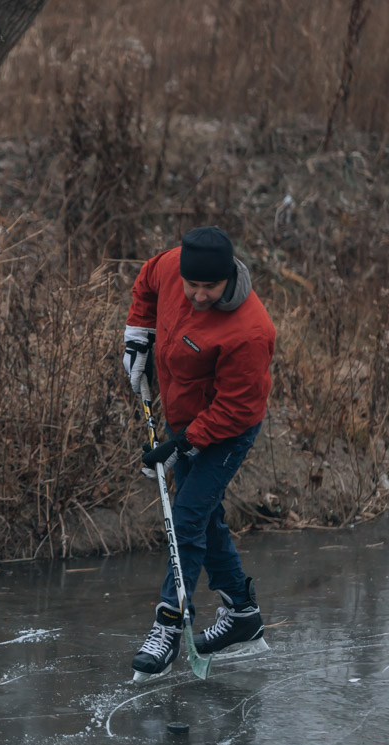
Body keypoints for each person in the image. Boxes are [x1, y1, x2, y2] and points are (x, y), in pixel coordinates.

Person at [121, 226, 275, 680]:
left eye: (212, 287)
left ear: (230, 277)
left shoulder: (250, 331)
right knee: (203, 517)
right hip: (183, 418)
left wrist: (179, 446)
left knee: (186, 516)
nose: (201, 295)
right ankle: (242, 615)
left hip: (228, 431)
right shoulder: (170, 268)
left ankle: (169, 623)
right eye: (194, 286)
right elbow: (148, 281)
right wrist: (138, 335)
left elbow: (236, 407)